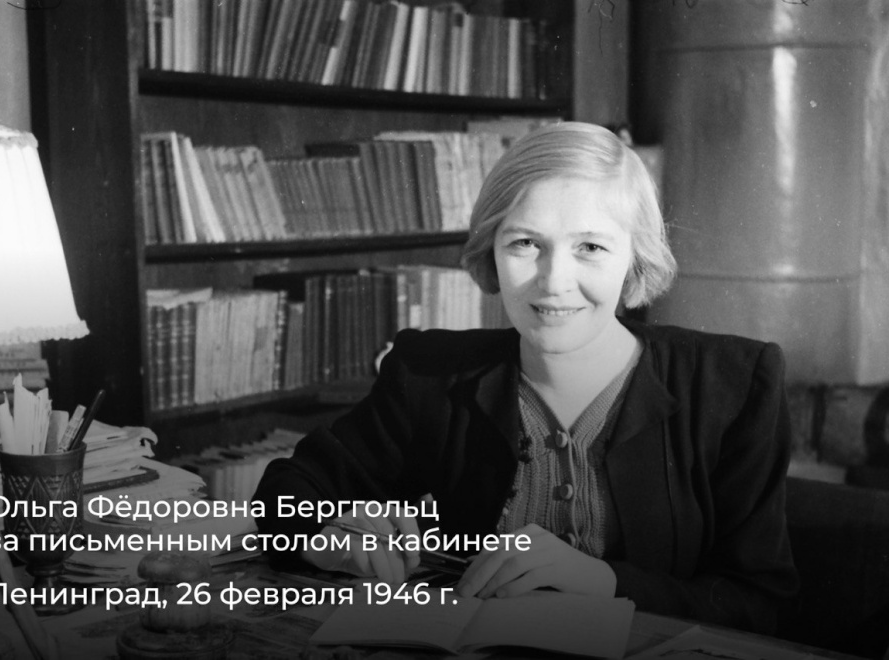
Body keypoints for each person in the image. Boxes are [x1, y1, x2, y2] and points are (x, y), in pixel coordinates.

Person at [253, 122, 798, 634]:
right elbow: (288, 491)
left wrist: (605, 583)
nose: (553, 281)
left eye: (590, 247)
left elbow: (760, 604)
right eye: (525, 244)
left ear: (635, 258)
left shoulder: (733, 385)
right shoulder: (430, 371)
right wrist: (329, 536)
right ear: (491, 250)